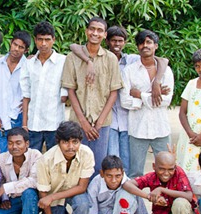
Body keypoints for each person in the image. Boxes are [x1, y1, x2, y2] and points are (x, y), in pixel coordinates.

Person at [69, 26, 169, 172]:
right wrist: (88, 60)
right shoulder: (103, 58)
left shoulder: (131, 60)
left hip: (129, 118)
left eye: (120, 41)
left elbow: (162, 60)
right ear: (107, 41)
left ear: (125, 42)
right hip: (109, 117)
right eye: (113, 40)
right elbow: (73, 46)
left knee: (127, 161)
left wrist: (156, 82)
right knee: (112, 156)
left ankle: (125, 191)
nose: (117, 44)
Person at [62, 17, 123, 177]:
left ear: (104, 35)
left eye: (100, 30)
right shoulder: (72, 57)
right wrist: (83, 122)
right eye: (92, 29)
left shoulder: (111, 59)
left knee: (97, 166)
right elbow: (71, 90)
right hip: (77, 122)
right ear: (86, 31)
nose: (95, 33)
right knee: (75, 165)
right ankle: (77, 201)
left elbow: (113, 92)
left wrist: (99, 122)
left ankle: (93, 201)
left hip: (100, 125)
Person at [120, 30, 174, 178]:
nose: (145, 46)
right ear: (137, 47)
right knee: (135, 172)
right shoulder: (129, 71)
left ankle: (165, 199)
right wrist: (152, 95)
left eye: (149, 42)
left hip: (161, 128)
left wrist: (139, 95)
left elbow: (166, 100)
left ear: (155, 46)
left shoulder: (166, 71)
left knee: (166, 170)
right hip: (138, 129)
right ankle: (136, 201)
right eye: (142, 43)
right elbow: (125, 101)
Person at [36, 121, 93, 214]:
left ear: (80, 141)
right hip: (53, 199)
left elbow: (82, 187)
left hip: (73, 193)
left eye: (75, 142)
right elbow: (43, 194)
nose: (70, 147)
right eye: (66, 142)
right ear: (58, 142)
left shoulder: (87, 154)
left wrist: (53, 197)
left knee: (83, 204)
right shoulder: (45, 160)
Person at [20, 21, 67, 152]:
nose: (43, 44)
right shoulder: (29, 64)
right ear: (35, 40)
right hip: (33, 123)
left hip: (55, 123)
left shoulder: (63, 62)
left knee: (55, 160)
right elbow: (26, 95)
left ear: (54, 40)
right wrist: (24, 123)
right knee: (32, 159)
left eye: (47, 39)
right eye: (40, 39)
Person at [0, 31, 31, 152]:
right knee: (3, 155)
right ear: (10, 43)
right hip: (3, 117)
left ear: (26, 50)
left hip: (19, 116)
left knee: (20, 154)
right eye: (15, 44)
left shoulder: (29, 66)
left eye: (21, 47)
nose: (16, 49)